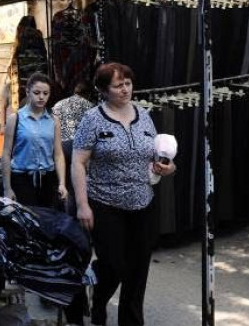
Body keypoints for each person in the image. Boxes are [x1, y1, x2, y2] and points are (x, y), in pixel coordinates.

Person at [71, 62, 176, 326]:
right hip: (105, 203)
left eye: (128, 83)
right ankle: (98, 297)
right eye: (118, 85)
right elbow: (78, 163)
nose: (125, 89)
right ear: (103, 90)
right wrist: (82, 204)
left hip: (143, 203)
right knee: (113, 265)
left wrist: (167, 167)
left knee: (138, 270)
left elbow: (157, 156)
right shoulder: (93, 119)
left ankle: (131, 322)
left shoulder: (144, 115)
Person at [2, 72, 67, 207]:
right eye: (36, 93)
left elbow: (58, 154)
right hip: (22, 179)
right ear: (28, 92)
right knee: (28, 217)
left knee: (48, 217)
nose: (41, 97)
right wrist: (7, 188)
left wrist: (62, 183)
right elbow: (6, 154)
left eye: (45, 93)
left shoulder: (54, 120)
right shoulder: (15, 119)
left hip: (48, 179)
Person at [52, 81, 95, 216]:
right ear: (87, 94)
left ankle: (61, 214)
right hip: (79, 149)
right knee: (76, 184)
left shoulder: (58, 104)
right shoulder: (90, 106)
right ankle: (74, 213)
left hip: (60, 147)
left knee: (62, 183)